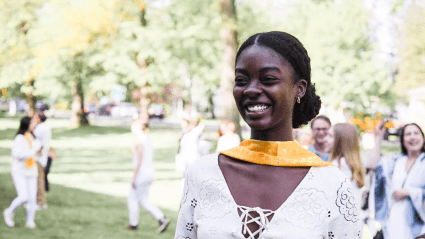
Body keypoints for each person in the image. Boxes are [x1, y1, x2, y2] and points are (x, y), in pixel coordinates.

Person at [175, 31, 362, 238]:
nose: (251, 90)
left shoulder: (330, 184)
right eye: (241, 80)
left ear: (299, 89)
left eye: (268, 79)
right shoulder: (203, 174)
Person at [368, 121, 425, 239]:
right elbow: (372, 165)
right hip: (394, 221)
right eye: (408, 134)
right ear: (402, 139)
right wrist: (378, 137)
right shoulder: (396, 161)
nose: (412, 137)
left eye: (416, 133)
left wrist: (410, 192)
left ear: (423, 137)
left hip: (419, 226)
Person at [127, 118, 169, 233]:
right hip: (150, 172)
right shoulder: (148, 138)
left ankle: (133, 223)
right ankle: (161, 218)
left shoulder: (140, 140)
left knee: (132, 199)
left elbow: (139, 159)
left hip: (141, 173)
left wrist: (134, 176)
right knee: (144, 199)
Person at [3, 116, 42, 228]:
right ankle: (9, 211)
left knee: (32, 198)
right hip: (19, 171)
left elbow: (37, 153)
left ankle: (30, 221)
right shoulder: (20, 138)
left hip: (31, 171)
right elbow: (17, 155)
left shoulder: (33, 138)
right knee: (23, 196)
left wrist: (39, 153)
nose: (34, 125)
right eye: (32, 123)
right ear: (26, 124)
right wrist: (33, 152)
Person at [32, 111, 51, 209]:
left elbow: (31, 135)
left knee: (39, 180)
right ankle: (40, 201)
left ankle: (40, 202)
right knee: (40, 179)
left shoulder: (40, 128)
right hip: (42, 157)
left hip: (39, 157)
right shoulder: (45, 126)